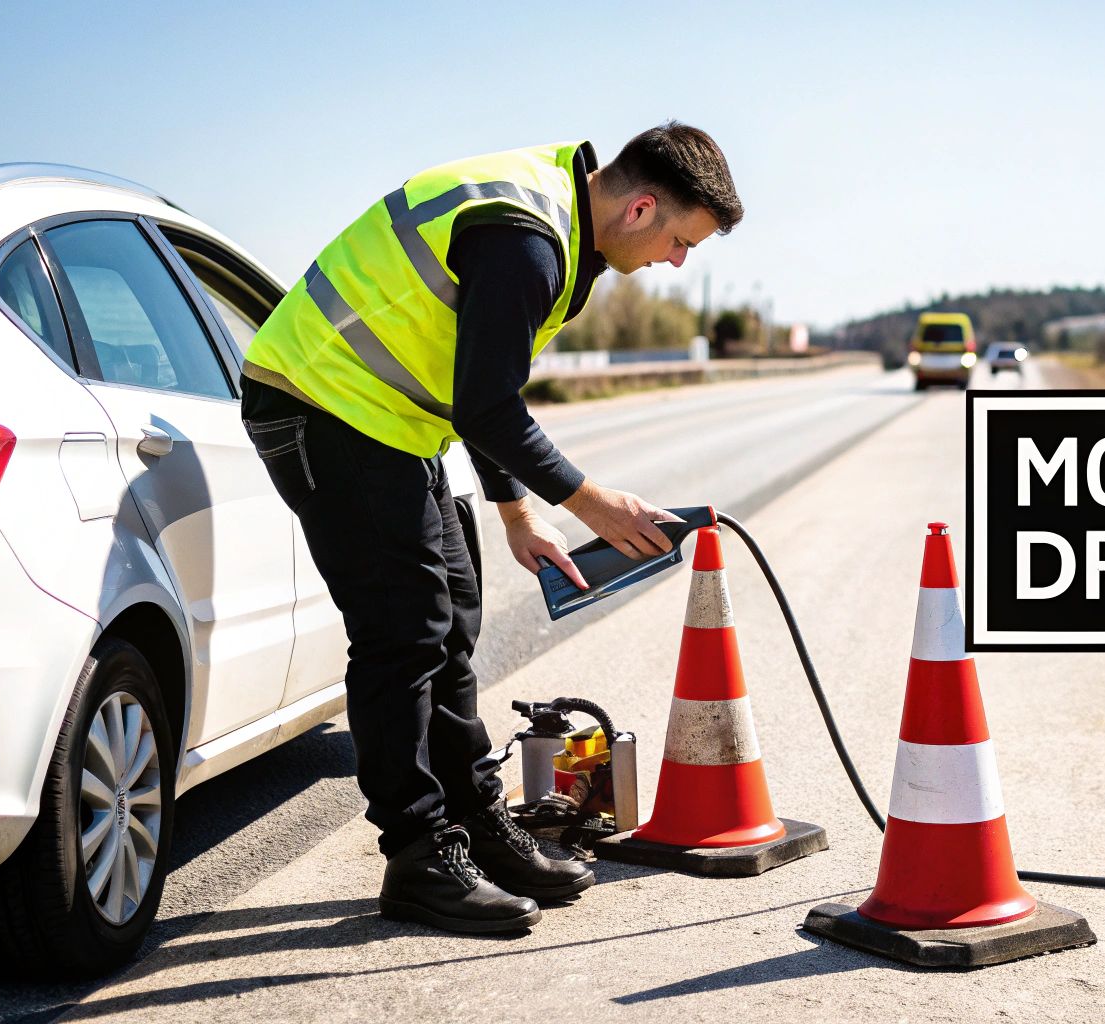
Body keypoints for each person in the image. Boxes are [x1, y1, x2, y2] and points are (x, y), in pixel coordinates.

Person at [238, 123, 742, 934]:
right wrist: (591, 503)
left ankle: (474, 824)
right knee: (404, 631)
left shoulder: (556, 217)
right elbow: (489, 406)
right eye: (681, 241)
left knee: (453, 617)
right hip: (322, 405)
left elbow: (478, 377)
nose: (677, 262)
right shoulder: (528, 243)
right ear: (643, 207)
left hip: (395, 421)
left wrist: (516, 510)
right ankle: (418, 857)